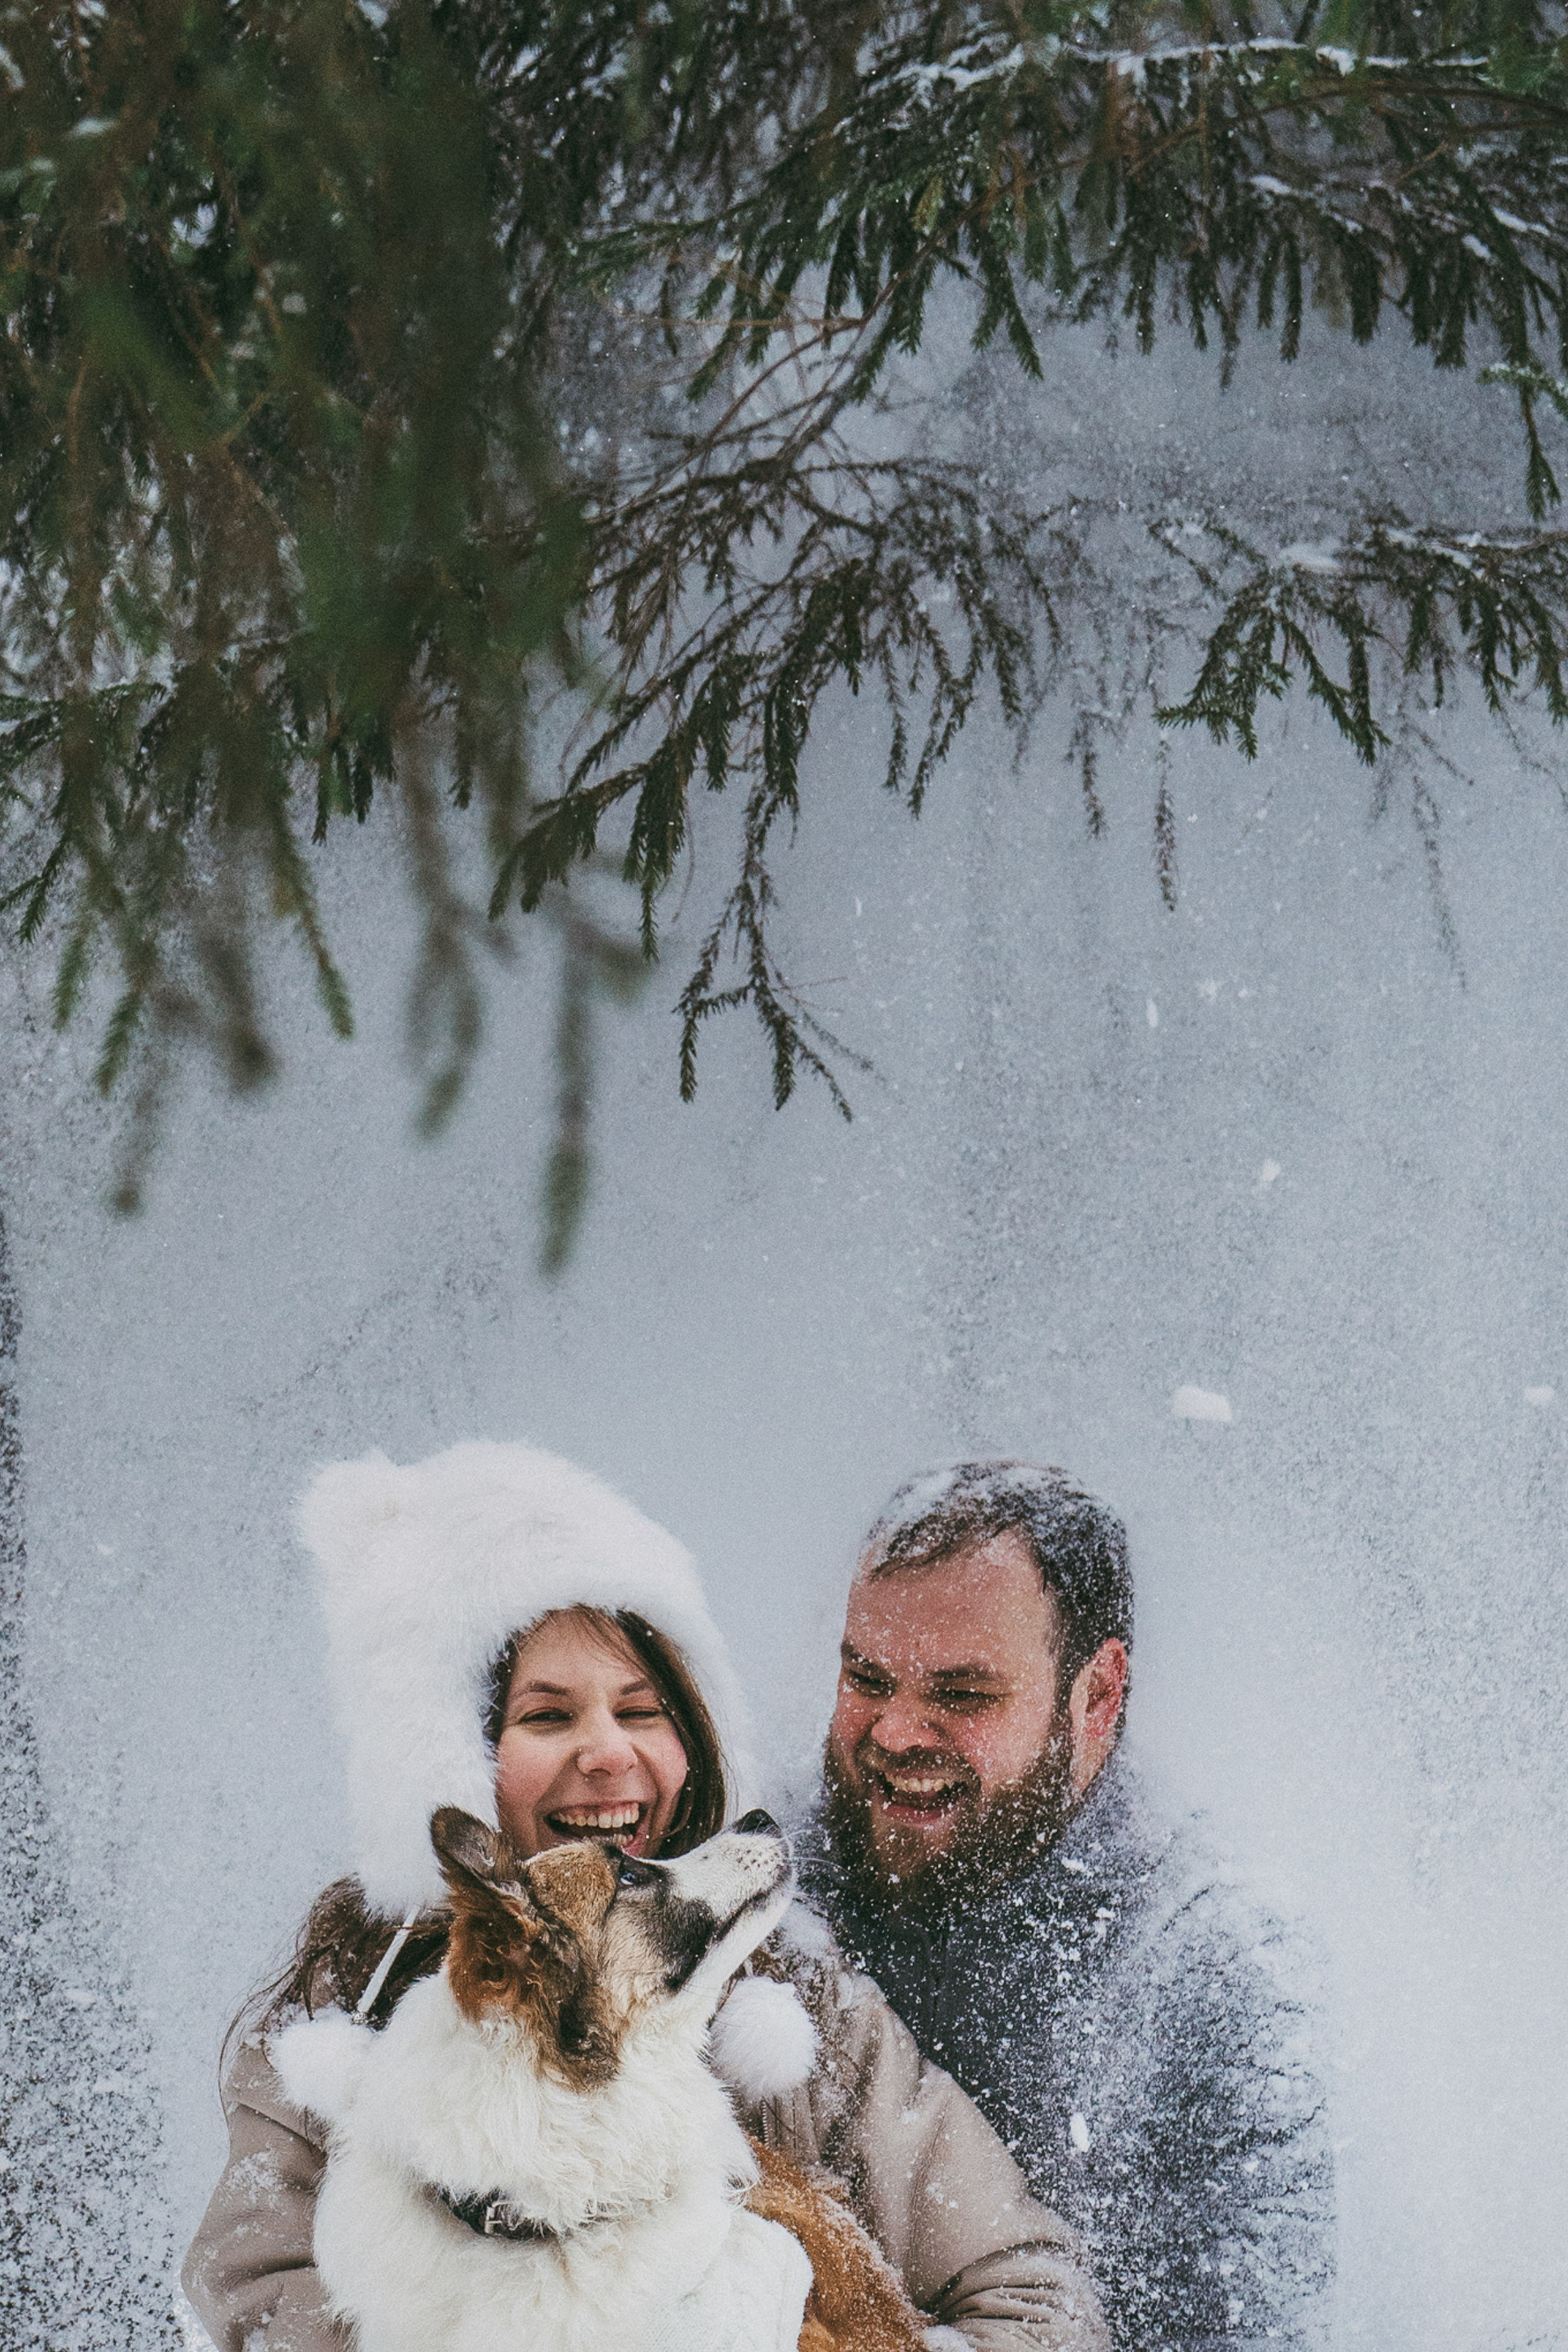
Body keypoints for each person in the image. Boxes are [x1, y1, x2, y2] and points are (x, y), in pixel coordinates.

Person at [183, 1439, 1109, 2352]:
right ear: (454, 1754)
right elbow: (251, 2293)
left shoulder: (797, 2000)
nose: (607, 1755)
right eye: (546, 1716)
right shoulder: (346, 2014)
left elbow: (1037, 2300)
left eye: (640, 1710)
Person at [795, 1462, 1334, 2352]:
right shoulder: (780, 1870)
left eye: (962, 1695)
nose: (893, 1734)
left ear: (1098, 1697)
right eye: (867, 1678)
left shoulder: (1216, 1969)